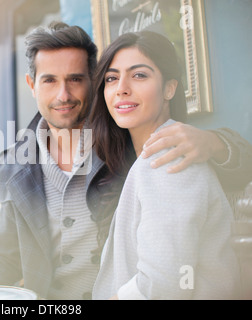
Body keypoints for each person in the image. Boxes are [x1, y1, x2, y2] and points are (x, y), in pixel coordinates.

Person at [0, 22, 252, 300]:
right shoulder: (16, 166)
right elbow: (2, 255)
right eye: (49, 80)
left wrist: (215, 143)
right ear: (32, 85)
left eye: (76, 79)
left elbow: (163, 283)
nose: (63, 95)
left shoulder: (131, 142)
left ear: (92, 82)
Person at [90, 31, 241, 300]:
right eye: (111, 78)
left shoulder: (166, 158)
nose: (121, 87)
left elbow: (161, 285)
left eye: (139, 75)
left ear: (170, 88)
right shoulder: (140, 160)